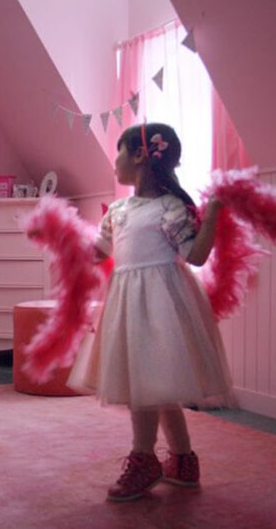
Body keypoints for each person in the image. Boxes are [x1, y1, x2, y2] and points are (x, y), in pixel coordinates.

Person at [67, 122, 235, 502]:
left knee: (144, 383)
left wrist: (212, 217)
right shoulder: (119, 210)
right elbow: (99, 251)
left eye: (119, 152)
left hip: (161, 306)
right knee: (157, 386)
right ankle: (183, 460)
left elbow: (195, 255)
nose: (115, 162)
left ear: (141, 155)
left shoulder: (170, 207)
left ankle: (145, 459)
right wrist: (64, 238)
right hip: (126, 302)